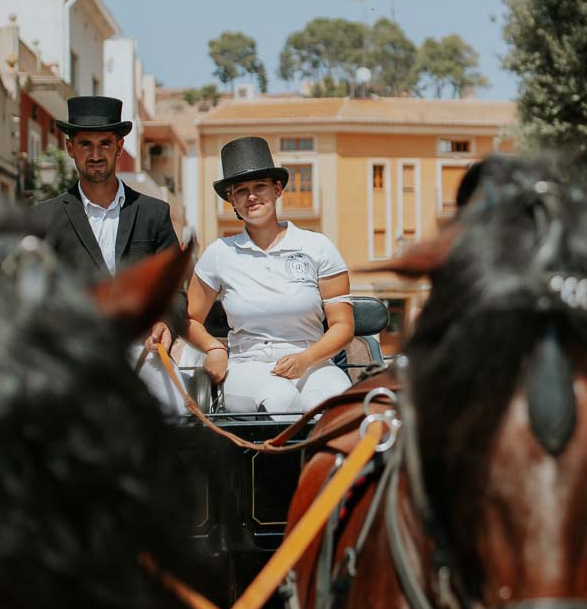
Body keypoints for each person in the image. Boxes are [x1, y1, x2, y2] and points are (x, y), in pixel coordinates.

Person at [34, 95, 187, 410]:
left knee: (179, 413)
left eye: (105, 144)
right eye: (86, 144)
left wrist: (166, 325)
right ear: (70, 148)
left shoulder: (153, 213)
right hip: (71, 354)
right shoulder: (43, 218)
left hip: (141, 349)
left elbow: (174, 290)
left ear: (119, 147)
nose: (95, 154)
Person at [187, 136, 354, 414]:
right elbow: (189, 318)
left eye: (260, 186)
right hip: (247, 367)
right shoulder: (219, 254)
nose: (251, 196)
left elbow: (343, 326)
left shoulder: (317, 246)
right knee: (281, 398)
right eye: (241, 190)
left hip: (314, 362)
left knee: (332, 404)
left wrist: (305, 359)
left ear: (277, 189)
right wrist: (214, 349)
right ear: (232, 200)